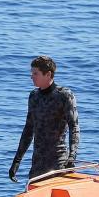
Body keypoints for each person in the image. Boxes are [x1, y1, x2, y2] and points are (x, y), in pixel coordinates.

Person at [9, 55, 80, 183]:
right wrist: (17, 160)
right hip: (37, 164)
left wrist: (72, 157)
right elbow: (28, 130)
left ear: (48, 74)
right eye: (32, 73)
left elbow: (74, 127)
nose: (31, 77)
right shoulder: (34, 96)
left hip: (58, 162)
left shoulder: (64, 95)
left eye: (35, 73)